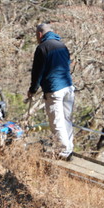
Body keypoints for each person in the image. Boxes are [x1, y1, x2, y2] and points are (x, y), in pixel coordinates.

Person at [27, 23, 75, 159]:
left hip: (54, 89)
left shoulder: (42, 48)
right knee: (66, 119)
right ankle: (69, 148)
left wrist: (33, 89)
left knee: (57, 121)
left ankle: (64, 151)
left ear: (40, 34)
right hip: (68, 87)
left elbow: (37, 72)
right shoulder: (62, 46)